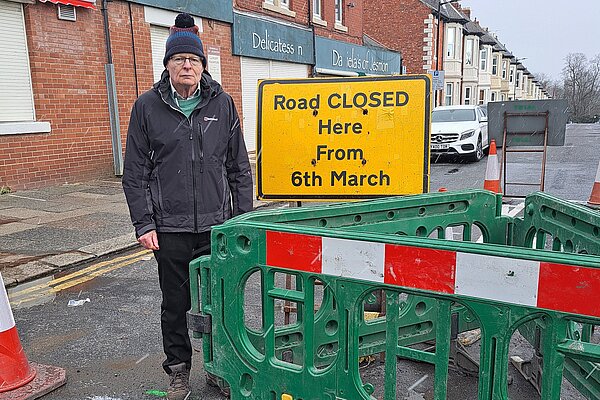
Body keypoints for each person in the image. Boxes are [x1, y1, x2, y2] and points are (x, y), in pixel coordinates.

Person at [122, 12, 253, 400]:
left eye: (193, 60)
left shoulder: (223, 104)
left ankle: (221, 368)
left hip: (217, 228)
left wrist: (240, 221)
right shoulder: (147, 108)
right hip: (171, 229)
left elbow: (239, 169)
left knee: (222, 304)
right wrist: (144, 223)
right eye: (179, 59)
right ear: (167, 65)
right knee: (175, 305)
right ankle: (178, 371)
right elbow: (135, 172)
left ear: (202, 67)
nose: (186, 65)